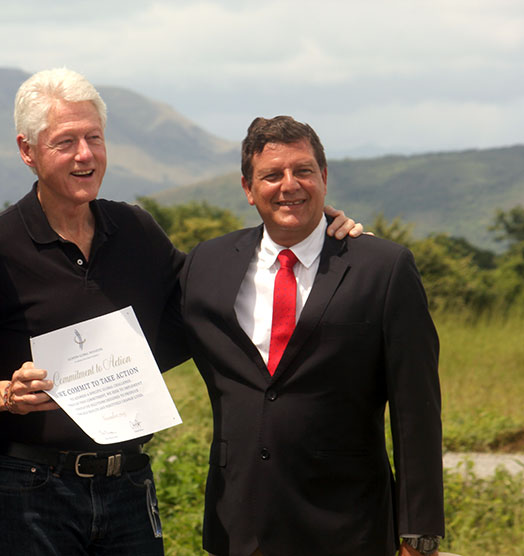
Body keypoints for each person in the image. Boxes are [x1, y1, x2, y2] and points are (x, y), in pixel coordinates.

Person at [0, 69, 362, 555]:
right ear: (28, 151)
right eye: (66, 142)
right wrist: (3, 394)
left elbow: (217, 288)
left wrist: (313, 228)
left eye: (94, 138)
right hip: (25, 486)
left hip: (126, 481)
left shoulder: (135, 230)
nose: (85, 154)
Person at [179, 115, 444, 556]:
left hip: (349, 527)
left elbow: (417, 410)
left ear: (324, 177)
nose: (289, 185)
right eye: (271, 175)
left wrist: (419, 535)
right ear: (248, 188)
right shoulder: (206, 264)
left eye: (303, 170)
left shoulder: (383, 267)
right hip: (240, 525)